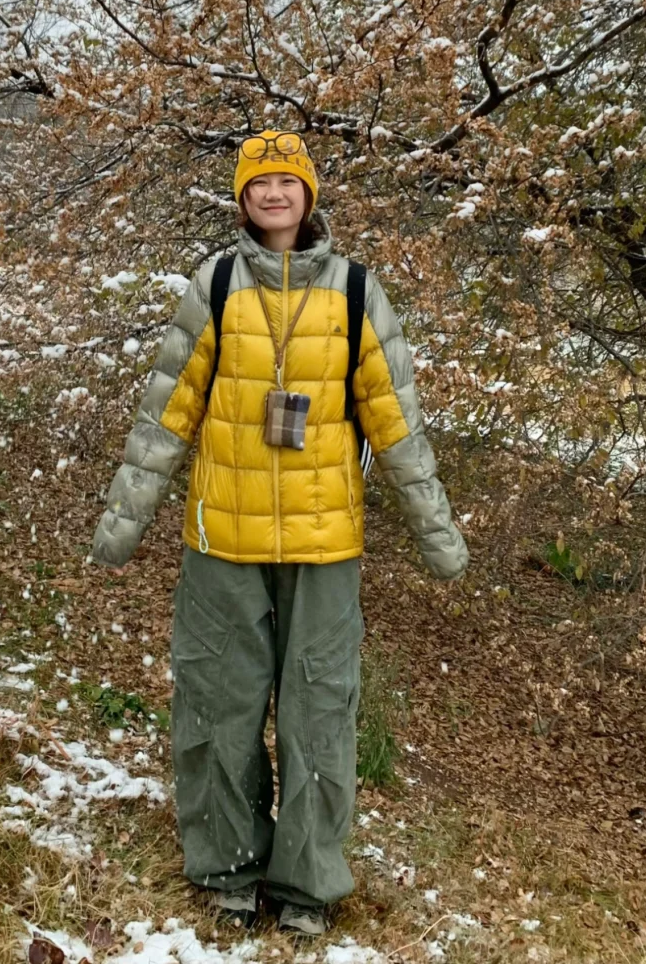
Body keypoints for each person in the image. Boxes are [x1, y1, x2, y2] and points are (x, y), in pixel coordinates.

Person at [92, 131, 468, 936]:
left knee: (319, 716)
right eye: (258, 182)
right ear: (241, 198)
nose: (273, 193)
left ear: (309, 195)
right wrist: (124, 520)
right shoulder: (217, 284)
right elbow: (167, 409)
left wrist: (437, 531)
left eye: (287, 181)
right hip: (222, 544)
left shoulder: (357, 291)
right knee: (217, 709)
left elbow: (396, 421)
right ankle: (227, 870)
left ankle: (306, 884)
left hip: (323, 549)